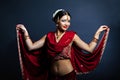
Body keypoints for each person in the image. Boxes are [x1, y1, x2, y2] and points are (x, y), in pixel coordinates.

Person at [16, 9, 110, 80]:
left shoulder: (72, 36)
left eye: (69, 21)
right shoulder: (48, 36)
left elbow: (89, 49)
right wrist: (25, 32)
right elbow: (31, 47)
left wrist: (97, 34)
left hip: (68, 76)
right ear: (57, 21)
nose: (67, 24)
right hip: (52, 76)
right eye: (64, 20)